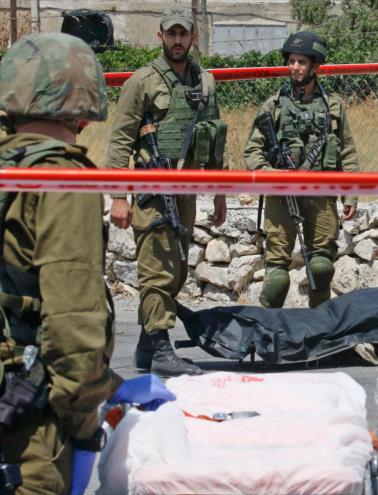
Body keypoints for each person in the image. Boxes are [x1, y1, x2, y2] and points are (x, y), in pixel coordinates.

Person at [0, 33, 174, 495]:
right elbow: (72, 327)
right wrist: (90, 414)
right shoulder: (62, 180)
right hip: (26, 420)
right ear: (81, 104)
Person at [106, 6, 228, 377]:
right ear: (160, 37)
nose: (177, 40)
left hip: (187, 191)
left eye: (183, 34)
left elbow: (214, 138)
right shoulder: (142, 81)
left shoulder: (204, 82)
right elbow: (120, 140)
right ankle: (161, 349)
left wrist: (219, 190)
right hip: (152, 190)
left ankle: (148, 345)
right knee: (157, 269)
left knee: (176, 270)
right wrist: (118, 196)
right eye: (171, 34)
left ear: (193, 37)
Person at [243, 31, 360, 309]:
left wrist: (351, 195)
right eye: (292, 61)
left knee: (321, 267)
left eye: (302, 62)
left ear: (315, 66)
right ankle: (268, 332)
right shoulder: (273, 106)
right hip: (281, 196)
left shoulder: (333, 106)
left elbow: (347, 152)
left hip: (321, 195)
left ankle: (320, 332)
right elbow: (252, 150)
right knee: (277, 276)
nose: (295, 67)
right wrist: (272, 175)